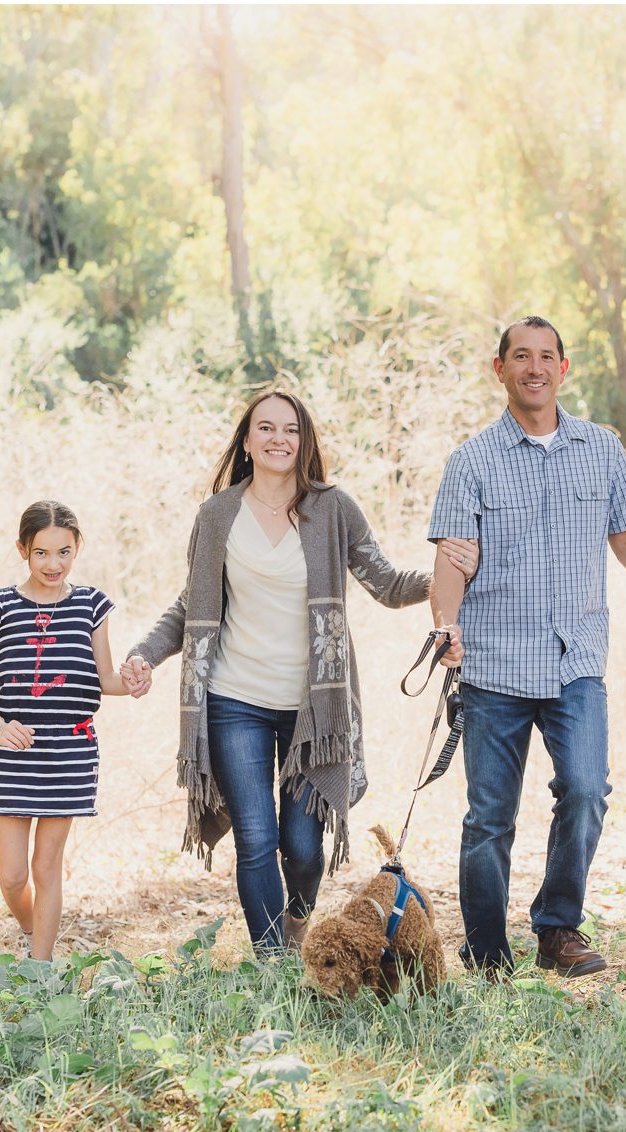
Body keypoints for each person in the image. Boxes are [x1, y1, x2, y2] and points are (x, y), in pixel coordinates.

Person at [120, 389, 479, 955]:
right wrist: (144, 654)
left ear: (304, 440)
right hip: (233, 698)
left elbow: (384, 583)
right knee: (257, 839)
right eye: (266, 428)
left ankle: (295, 924)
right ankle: (273, 961)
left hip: (315, 710)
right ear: (247, 440)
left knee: (303, 848)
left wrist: (443, 577)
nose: (278, 439)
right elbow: (191, 606)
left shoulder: (332, 509)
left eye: (290, 429)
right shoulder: (217, 516)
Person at [427, 315, 626, 979]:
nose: (534, 368)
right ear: (499, 370)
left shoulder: (601, 449)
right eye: (520, 357)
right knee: (489, 818)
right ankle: (488, 953)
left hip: (575, 656)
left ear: (564, 368)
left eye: (545, 357)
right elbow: (452, 557)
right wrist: (447, 624)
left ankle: (557, 930)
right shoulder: (472, 462)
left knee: (585, 789)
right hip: (494, 661)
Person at [0, 499, 130, 962]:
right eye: (41, 552)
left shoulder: (91, 605)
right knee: (12, 875)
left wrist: (132, 680)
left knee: (46, 865)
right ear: (23, 550)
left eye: (63, 551)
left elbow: (107, 679)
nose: (53, 563)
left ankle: (42, 969)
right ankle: (32, 926)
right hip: (13, 751)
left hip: (69, 751)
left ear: (77, 547)